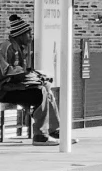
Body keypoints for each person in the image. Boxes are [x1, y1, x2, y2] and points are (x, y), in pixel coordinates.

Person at [2, 11, 59, 143]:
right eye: (28, 33)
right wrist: (31, 77)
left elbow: (24, 72)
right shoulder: (6, 48)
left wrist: (37, 76)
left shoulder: (23, 48)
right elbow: (7, 72)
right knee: (40, 92)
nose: (31, 36)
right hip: (5, 90)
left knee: (46, 88)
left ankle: (53, 130)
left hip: (17, 87)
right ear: (20, 35)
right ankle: (40, 135)